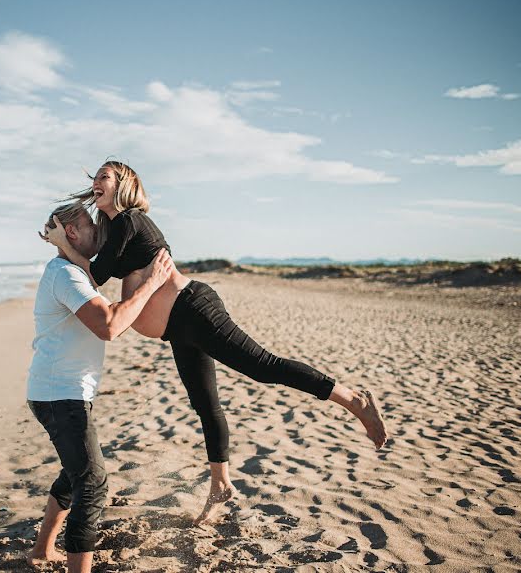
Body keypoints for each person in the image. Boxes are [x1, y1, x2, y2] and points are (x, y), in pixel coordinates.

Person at [44, 161, 390, 525]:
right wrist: (67, 242)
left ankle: (353, 400)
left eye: (104, 177)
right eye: (95, 177)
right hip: (177, 326)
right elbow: (94, 272)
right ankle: (220, 483)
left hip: (194, 309)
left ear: (124, 184)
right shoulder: (115, 227)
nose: (96, 182)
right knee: (205, 403)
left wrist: (62, 243)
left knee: (263, 367)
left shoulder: (129, 220)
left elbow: (92, 276)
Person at [27, 201, 173, 572]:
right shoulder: (66, 275)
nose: (101, 231)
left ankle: (43, 550)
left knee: (74, 471)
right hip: (60, 394)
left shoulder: (71, 269)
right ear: (74, 232)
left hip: (62, 391)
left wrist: (65, 243)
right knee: (91, 482)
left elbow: (93, 280)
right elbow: (109, 326)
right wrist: (151, 283)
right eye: (92, 226)